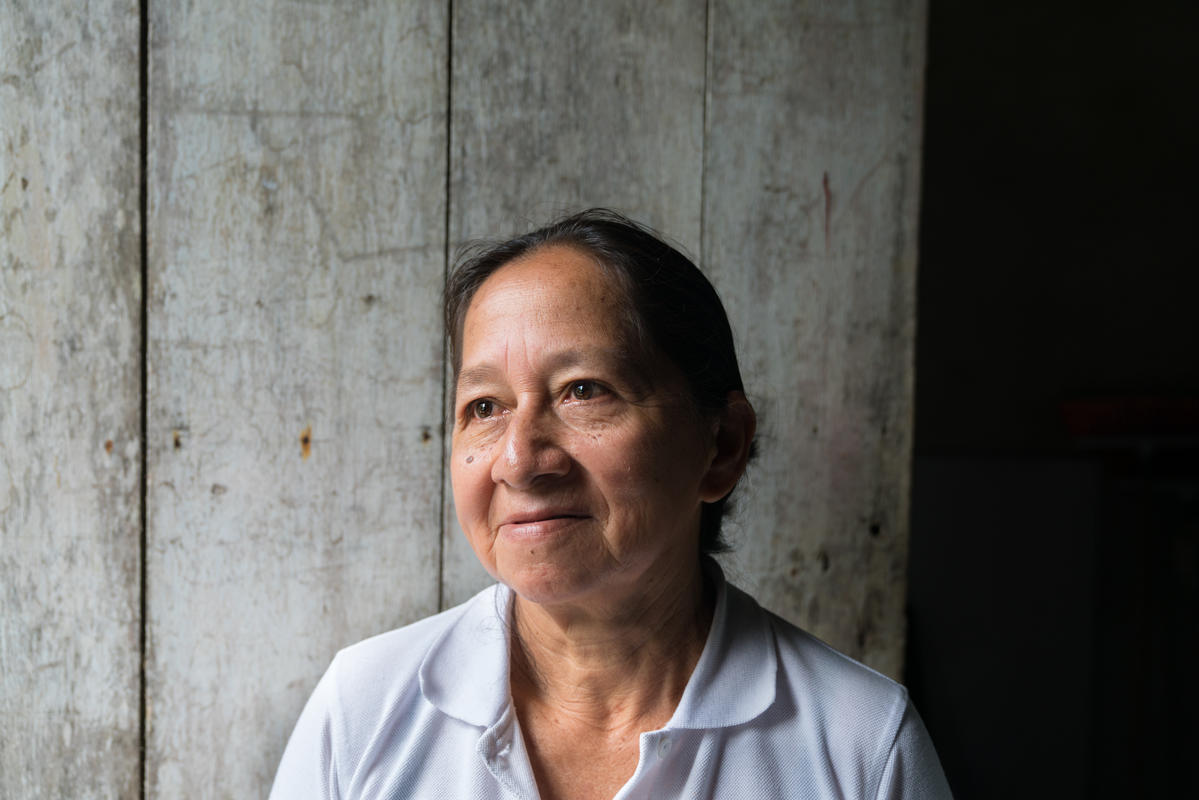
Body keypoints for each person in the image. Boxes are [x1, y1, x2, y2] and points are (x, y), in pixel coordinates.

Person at [269, 209, 952, 799]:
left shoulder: (860, 746)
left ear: (721, 446)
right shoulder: (364, 707)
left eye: (583, 390)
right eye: (484, 406)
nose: (519, 459)